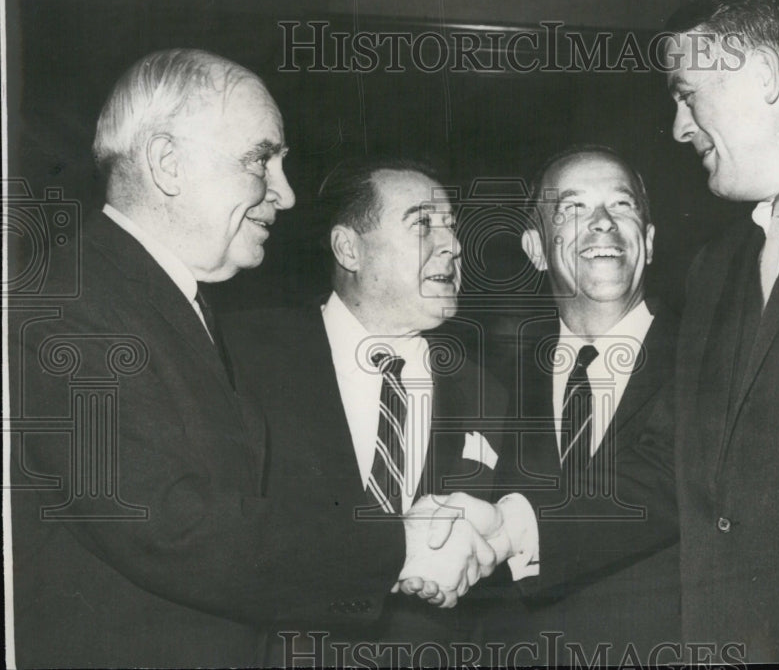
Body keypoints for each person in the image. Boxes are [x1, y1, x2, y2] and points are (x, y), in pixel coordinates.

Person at [408, 0, 779, 664]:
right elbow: (667, 468)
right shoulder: (719, 266)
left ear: (765, 74)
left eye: (687, 94)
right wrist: (508, 527)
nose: (681, 126)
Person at [9, 51, 487, 668]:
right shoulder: (66, 306)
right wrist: (399, 547)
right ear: (167, 163)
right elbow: (173, 526)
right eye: (261, 160)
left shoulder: (168, 306)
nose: (284, 195)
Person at [224, 157, 509, 665]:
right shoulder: (244, 354)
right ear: (349, 248)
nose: (453, 245)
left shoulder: (485, 390)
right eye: (424, 224)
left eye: (452, 227)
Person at [481, 145, 680, 660]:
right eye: (571, 209)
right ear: (536, 248)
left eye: (622, 205)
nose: (602, 224)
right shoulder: (489, 386)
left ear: (650, 242)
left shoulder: (711, 358)